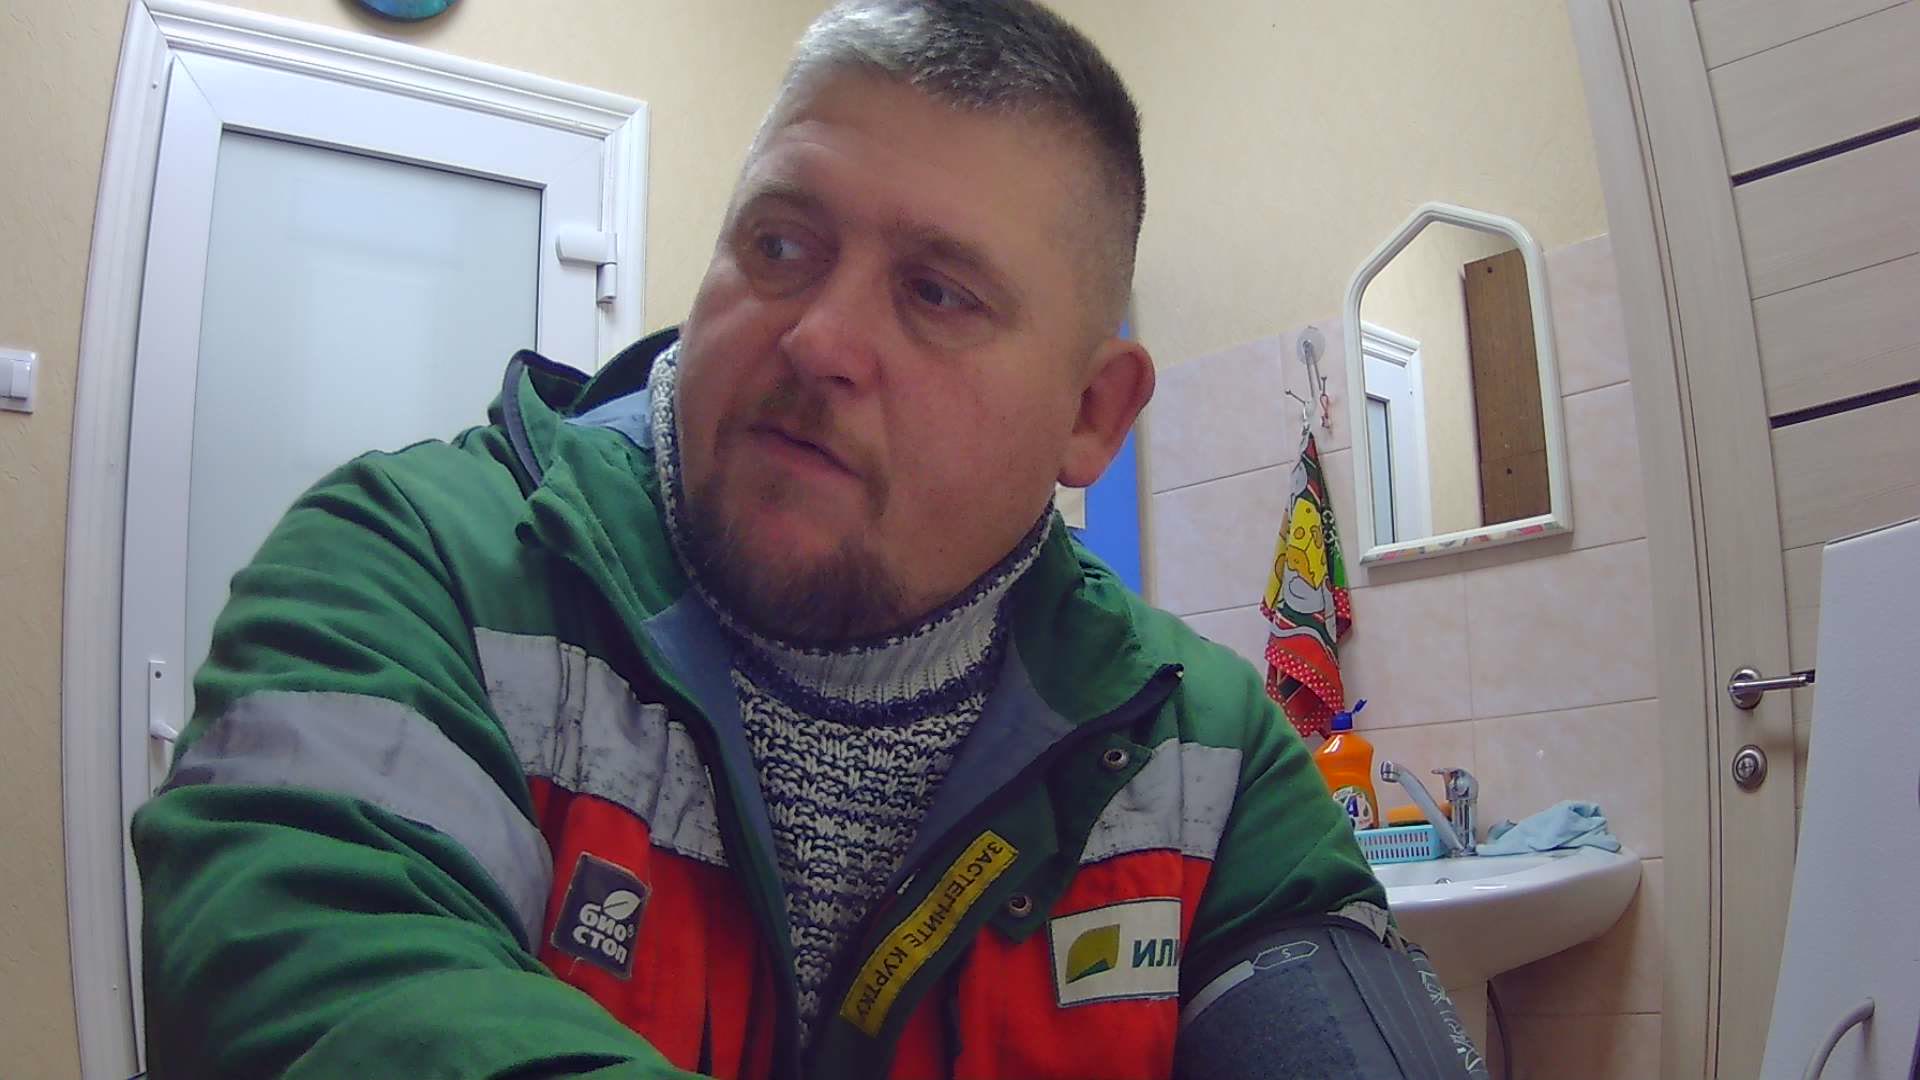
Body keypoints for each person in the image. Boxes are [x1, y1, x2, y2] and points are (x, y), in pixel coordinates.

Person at [132, 1, 1484, 1077]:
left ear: (1090, 415)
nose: (821, 337)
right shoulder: (408, 572)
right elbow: (318, 993)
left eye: (937, 292)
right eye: (780, 245)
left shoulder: (1207, 759)